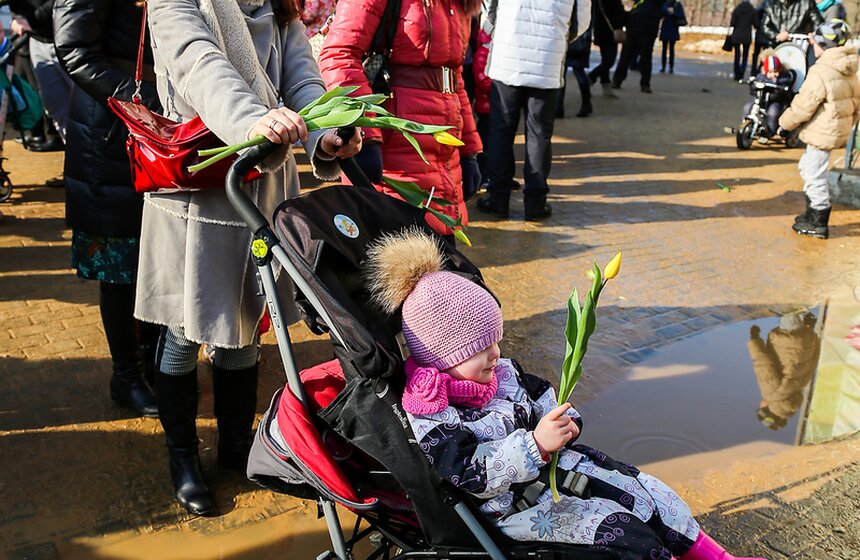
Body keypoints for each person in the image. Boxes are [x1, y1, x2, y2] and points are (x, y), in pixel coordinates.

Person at [363, 228, 767, 559]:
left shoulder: (498, 373)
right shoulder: (431, 406)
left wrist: (561, 417)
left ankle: (716, 558)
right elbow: (465, 473)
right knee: (620, 530)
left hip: (559, 468)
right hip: (516, 505)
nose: (496, 354)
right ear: (440, 354)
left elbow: (540, 395)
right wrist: (535, 445)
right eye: (480, 349)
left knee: (649, 492)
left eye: (495, 341)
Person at [139, 0, 362, 516]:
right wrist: (254, 121)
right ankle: (183, 457)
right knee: (185, 327)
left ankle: (237, 447)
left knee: (247, 319)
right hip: (202, 180)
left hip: (265, 181)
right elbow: (196, 61)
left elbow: (302, 77)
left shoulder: (278, 4)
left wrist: (326, 130)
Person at [53, 0, 162, 418]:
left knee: (157, 255)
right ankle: (127, 375)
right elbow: (75, 50)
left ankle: (152, 363)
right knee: (120, 266)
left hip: (157, 127)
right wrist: (142, 97)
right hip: (111, 129)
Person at [318, 0, 483, 240]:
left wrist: (469, 152)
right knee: (402, 264)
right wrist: (367, 133)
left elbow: (453, 77)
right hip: (394, 153)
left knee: (441, 262)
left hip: (444, 157)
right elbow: (339, 55)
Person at [475, 0, 584, 221]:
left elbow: (488, 8)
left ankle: (497, 197)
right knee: (539, 135)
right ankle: (535, 202)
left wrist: (501, 28)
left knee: (500, 131)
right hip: (547, 61)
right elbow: (581, 20)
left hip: (507, 54)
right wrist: (557, 35)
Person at [778, 19, 860, 239]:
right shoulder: (849, 68)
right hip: (836, 129)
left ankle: (818, 219)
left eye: (815, 42)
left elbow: (804, 105)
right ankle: (811, 211)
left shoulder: (821, 71)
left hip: (821, 131)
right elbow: (856, 104)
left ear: (822, 45)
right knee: (808, 167)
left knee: (814, 173)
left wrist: (784, 125)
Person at [8, 0, 71, 153]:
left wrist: (33, 19)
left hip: (68, 40)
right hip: (37, 40)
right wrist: (18, 15)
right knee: (56, 109)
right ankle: (74, 157)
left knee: (88, 109)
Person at [748, 312, 819, 431]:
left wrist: (809, 330)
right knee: (791, 306)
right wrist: (754, 338)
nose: (760, 404)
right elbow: (762, 363)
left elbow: (812, 362)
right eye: (760, 408)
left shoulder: (796, 391)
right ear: (768, 411)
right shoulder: (772, 394)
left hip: (804, 340)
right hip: (787, 339)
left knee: (797, 307)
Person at [612, 0, 663, 93]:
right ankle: (617, 80)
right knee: (626, 55)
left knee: (645, 57)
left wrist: (653, 21)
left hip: (648, 30)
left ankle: (645, 83)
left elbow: (662, 10)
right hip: (632, 28)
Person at [741, 55, 793, 135]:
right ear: (765, 72)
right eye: (770, 72)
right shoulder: (761, 78)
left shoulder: (783, 79)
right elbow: (753, 89)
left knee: (773, 112)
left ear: (780, 70)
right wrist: (753, 84)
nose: (773, 75)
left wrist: (778, 86)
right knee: (747, 107)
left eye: (776, 71)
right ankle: (745, 125)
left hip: (775, 101)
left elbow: (784, 91)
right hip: (761, 100)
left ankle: (770, 131)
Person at [589, 0, 627, 99]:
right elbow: (618, 13)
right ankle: (590, 78)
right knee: (609, 61)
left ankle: (606, 88)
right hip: (610, 33)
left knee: (606, 60)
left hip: (601, 32)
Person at [558, 25, 594, 118]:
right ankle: (586, 104)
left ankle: (558, 108)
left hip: (566, 38)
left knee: (561, 75)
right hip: (580, 39)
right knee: (579, 73)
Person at [730, 0, 761, 81]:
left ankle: (737, 74)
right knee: (745, 56)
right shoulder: (752, 10)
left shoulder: (737, 9)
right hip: (747, 36)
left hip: (737, 35)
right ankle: (742, 73)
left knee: (737, 55)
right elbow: (756, 24)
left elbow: (732, 23)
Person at [659, 0, 686, 74]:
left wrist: (673, 13)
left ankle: (671, 67)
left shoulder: (677, 4)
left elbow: (682, 15)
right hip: (665, 29)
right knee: (664, 49)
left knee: (671, 49)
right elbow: (661, 12)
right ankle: (663, 67)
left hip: (673, 29)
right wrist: (667, 11)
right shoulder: (665, 4)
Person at [751, 0, 771, 73]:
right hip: (767, 37)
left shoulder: (759, 11)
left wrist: (758, 27)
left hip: (759, 37)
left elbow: (756, 24)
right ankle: (760, 70)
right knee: (765, 56)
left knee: (756, 54)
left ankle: (753, 71)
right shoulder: (772, 11)